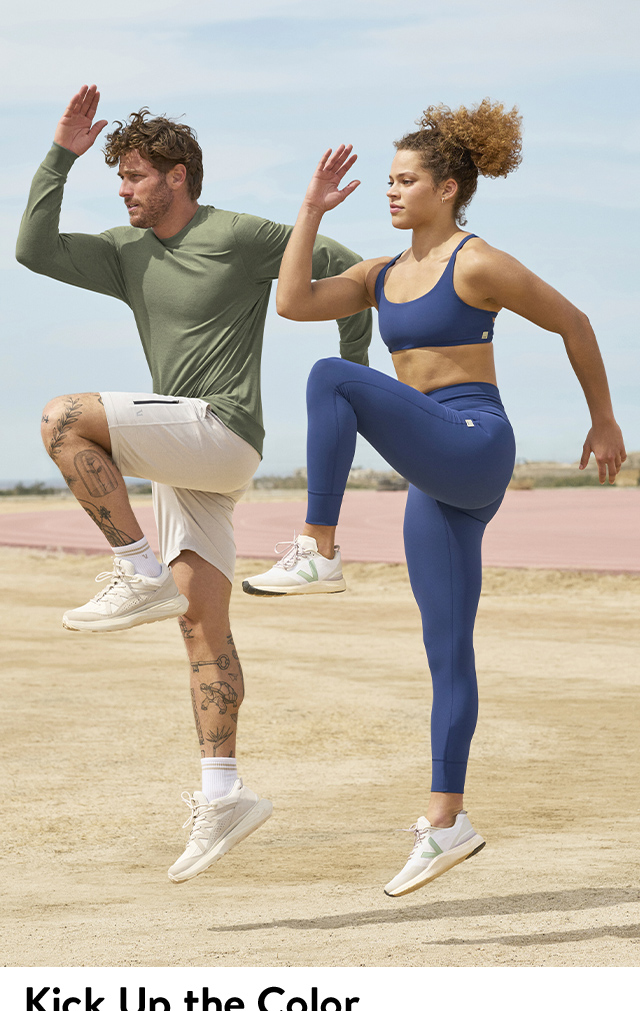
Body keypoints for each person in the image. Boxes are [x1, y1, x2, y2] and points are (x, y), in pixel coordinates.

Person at [242, 100, 627, 896]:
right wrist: (309, 212)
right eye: (386, 180)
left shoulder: (476, 262)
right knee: (446, 652)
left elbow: (575, 321)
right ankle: (449, 822)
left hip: (476, 442)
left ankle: (318, 546)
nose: (389, 191)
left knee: (331, 376)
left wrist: (604, 420)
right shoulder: (381, 276)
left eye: (403, 180)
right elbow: (293, 302)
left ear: (447, 189)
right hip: (434, 477)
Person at [15, 85, 371, 884]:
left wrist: (357, 381)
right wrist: (61, 154)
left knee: (62, 417)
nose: (125, 188)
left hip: (221, 428)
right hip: (185, 458)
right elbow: (32, 249)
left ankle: (133, 567)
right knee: (201, 629)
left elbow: (346, 268)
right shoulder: (121, 251)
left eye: (135, 174)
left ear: (177, 176)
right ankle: (225, 792)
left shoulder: (238, 235)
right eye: (120, 177)